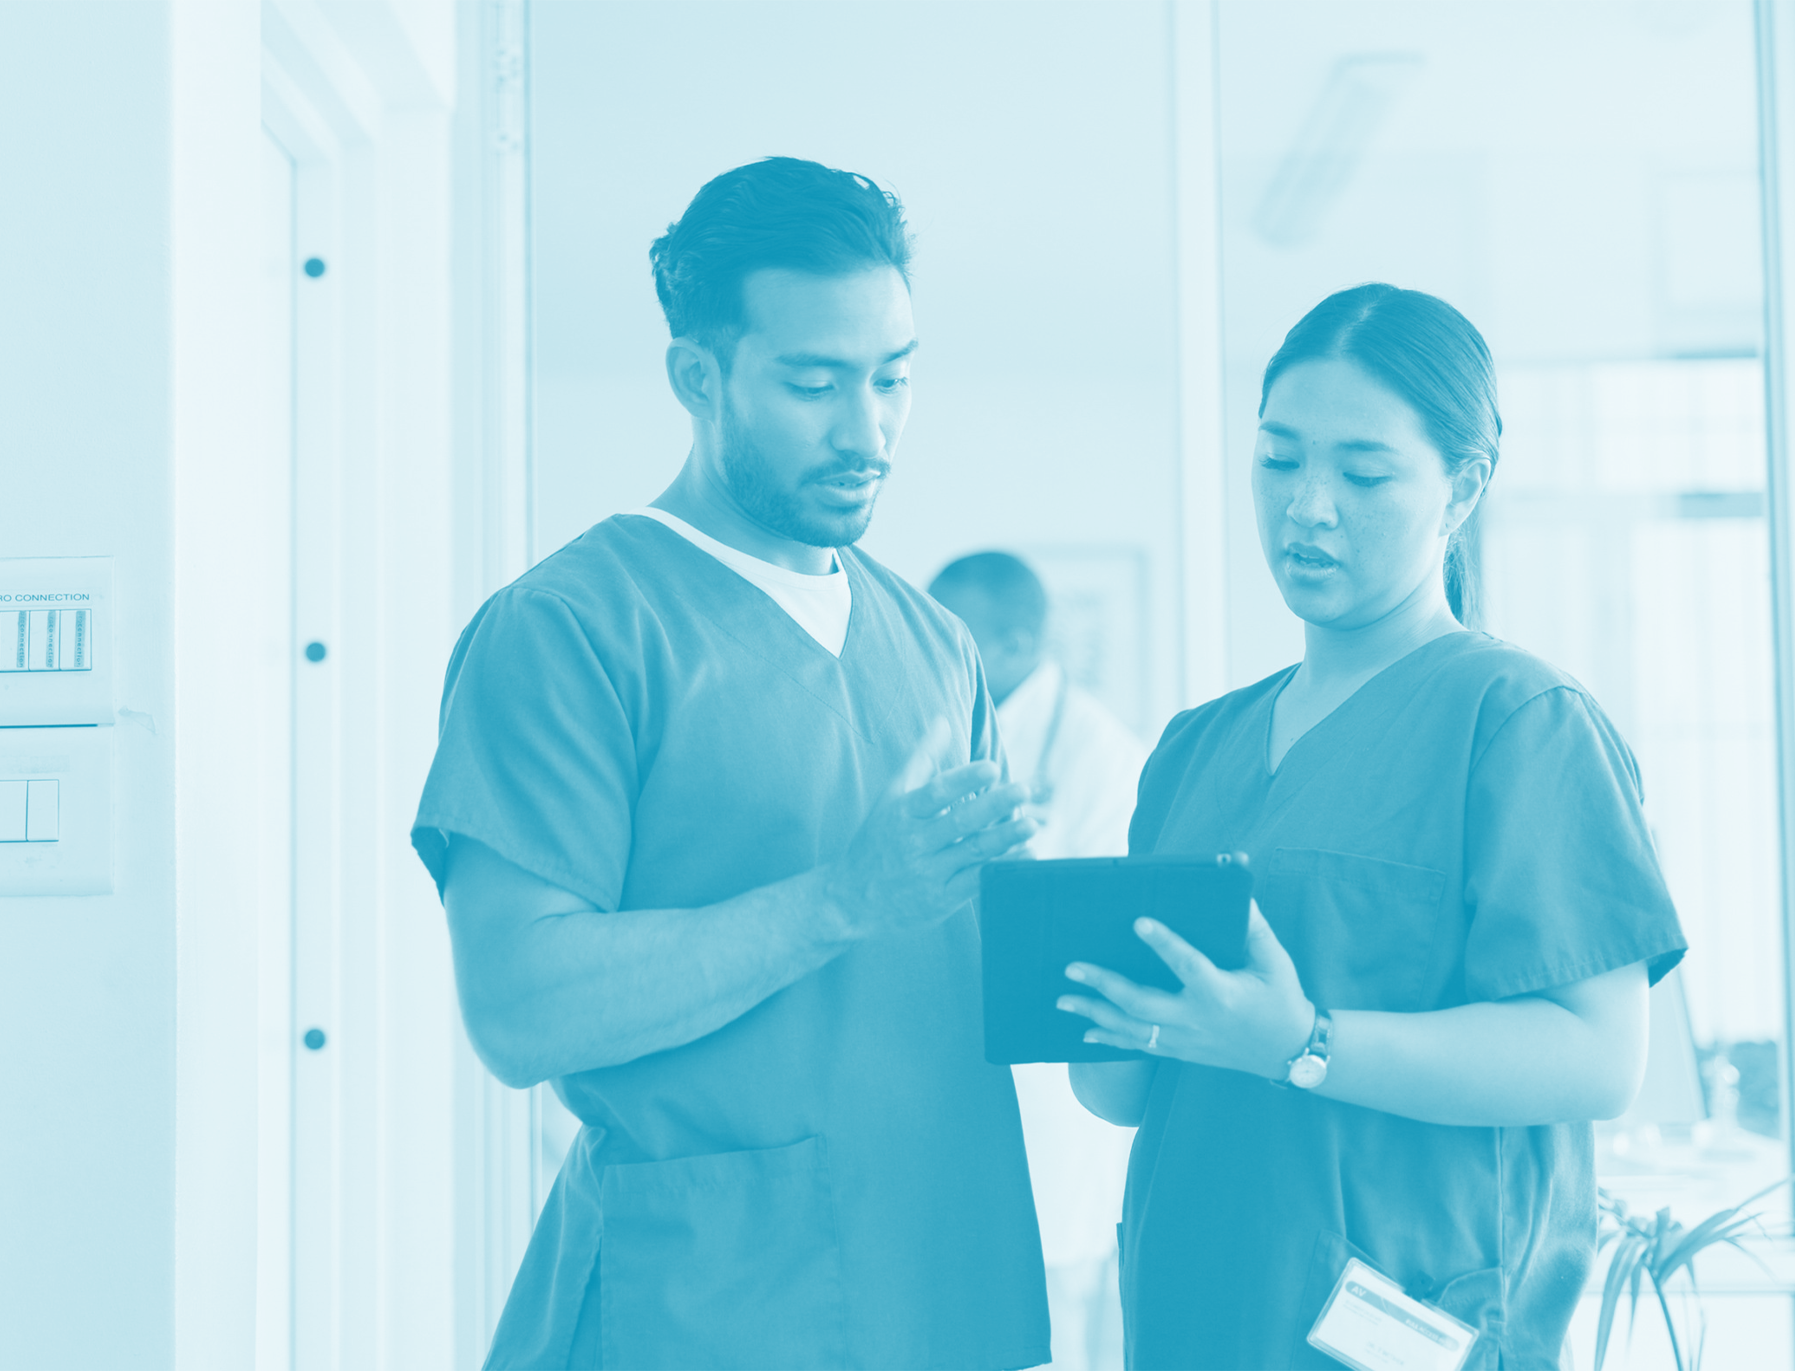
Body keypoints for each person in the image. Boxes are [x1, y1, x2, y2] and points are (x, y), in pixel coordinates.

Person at [413, 157, 1051, 1371]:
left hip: (941, 1292)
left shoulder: (935, 644)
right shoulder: (570, 629)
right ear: (695, 376)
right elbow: (516, 1005)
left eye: (892, 380)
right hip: (708, 1311)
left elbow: (949, 978)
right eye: (811, 383)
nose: (865, 430)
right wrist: (835, 902)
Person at [1059, 283, 1687, 1370]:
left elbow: (1596, 1057)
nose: (1306, 506)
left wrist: (1302, 1045)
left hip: (1402, 1319)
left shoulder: (1517, 720)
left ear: (1461, 489)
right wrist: (1096, 1007)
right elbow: (1121, 1091)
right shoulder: (1194, 747)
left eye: (1360, 473)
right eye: (1276, 459)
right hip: (1196, 1300)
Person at [930, 551, 1145, 1371]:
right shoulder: (948, 726)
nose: (938, 651)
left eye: (959, 636)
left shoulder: (1100, 756)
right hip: (954, 1089)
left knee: (1043, 1338)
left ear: (1019, 640)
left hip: (1053, 1109)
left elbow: (1084, 937)